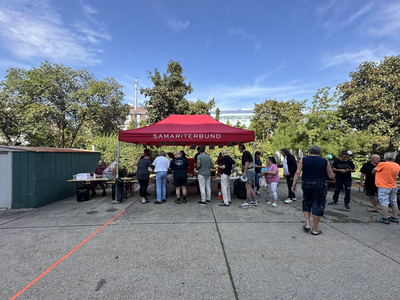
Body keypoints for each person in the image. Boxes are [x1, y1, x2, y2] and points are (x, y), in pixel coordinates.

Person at [292, 145, 335, 235]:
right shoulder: (325, 161)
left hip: (306, 183)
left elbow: (297, 173)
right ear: (319, 152)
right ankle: (315, 229)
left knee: (307, 201)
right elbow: (331, 176)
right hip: (319, 184)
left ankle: (307, 223)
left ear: (309, 151)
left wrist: (294, 185)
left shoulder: (303, 160)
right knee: (318, 204)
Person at [372, 152, 400, 224]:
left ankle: (385, 218)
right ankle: (395, 217)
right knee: (394, 202)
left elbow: (373, 171)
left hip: (383, 186)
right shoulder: (397, 165)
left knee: (384, 202)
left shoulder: (382, 164)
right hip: (393, 186)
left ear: (385, 158)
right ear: (394, 158)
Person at [239, 143, 257, 208]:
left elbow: (247, 162)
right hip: (251, 170)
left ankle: (247, 201)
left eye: (239, 149)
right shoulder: (248, 153)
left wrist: (244, 172)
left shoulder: (245, 153)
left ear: (240, 148)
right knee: (250, 185)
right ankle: (253, 200)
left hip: (249, 171)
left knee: (247, 186)